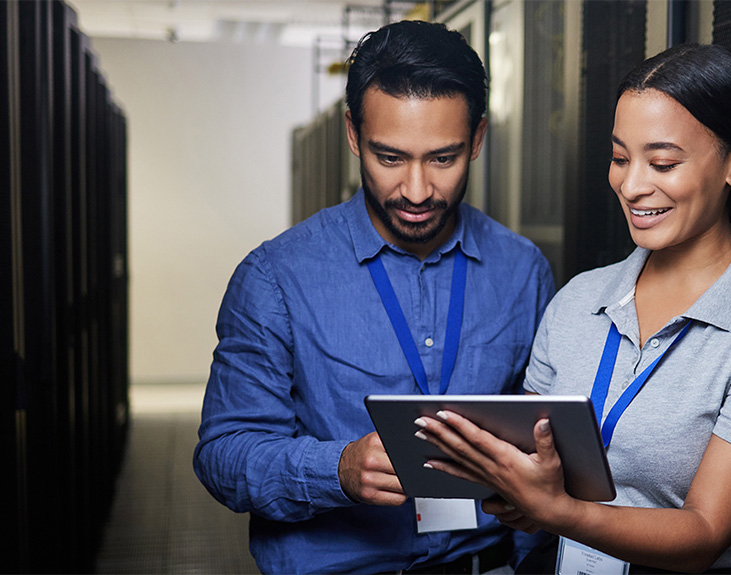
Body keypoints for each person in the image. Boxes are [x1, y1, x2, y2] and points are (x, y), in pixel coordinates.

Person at [415, 43, 731, 573]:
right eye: (619, 157)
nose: (631, 186)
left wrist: (558, 510)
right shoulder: (578, 300)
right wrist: (516, 491)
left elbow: (704, 534)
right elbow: (532, 457)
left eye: (662, 162)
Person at [193, 19, 555, 574]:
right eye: (390, 158)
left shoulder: (522, 271)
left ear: (477, 140)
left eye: (443, 159)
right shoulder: (274, 277)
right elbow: (222, 453)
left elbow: (543, 440)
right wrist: (336, 469)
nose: (416, 190)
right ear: (354, 135)